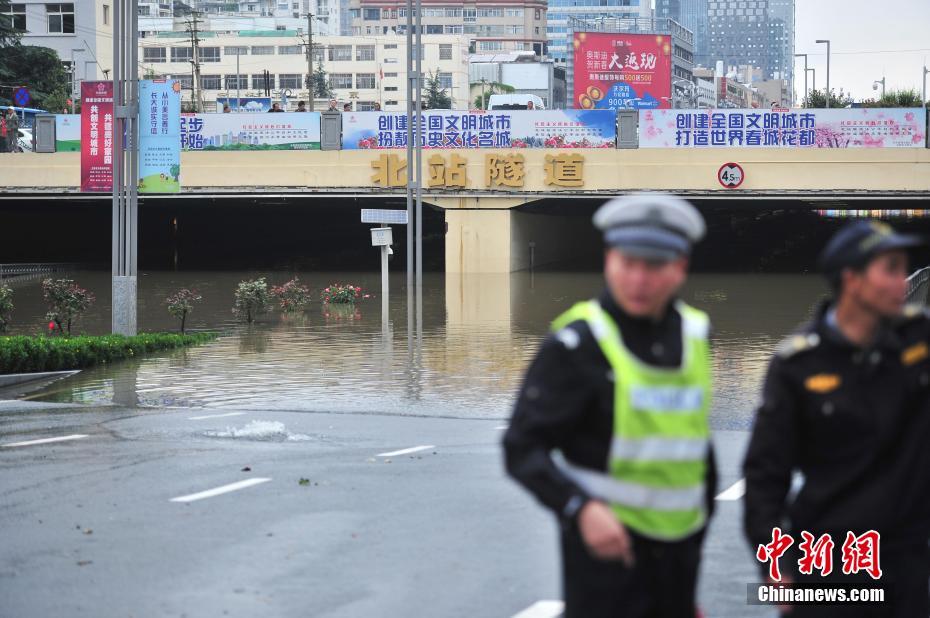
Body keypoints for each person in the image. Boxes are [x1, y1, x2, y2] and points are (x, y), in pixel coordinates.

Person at [504, 193, 717, 618]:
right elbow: (521, 447)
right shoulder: (578, 342)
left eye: (654, 266)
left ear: (680, 267)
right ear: (608, 259)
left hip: (679, 557)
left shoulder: (696, 334)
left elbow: (694, 447)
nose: (638, 279)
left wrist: (685, 585)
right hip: (607, 558)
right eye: (627, 263)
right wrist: (578, 508)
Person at [743, 220, 930, 616]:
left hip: (906, 558)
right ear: (852, 281)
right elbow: (765, 475)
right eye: (891, 269)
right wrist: (774, 565)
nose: (903, 283)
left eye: (904, 269)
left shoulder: (918, 343)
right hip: (831, 559)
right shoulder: (798, 365)